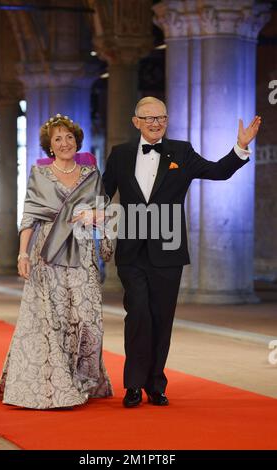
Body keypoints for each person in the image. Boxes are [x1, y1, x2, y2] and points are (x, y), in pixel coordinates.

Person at [102, 96, 261, 408]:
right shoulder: (119, 154)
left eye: (160, 117)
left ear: (166, 120)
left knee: (162, 318)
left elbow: (218, 171)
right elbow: (103, 193)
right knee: (138, 315)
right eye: (148, 118)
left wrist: (240, 148)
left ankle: (155, 385)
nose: (155, 122)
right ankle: (133, 385)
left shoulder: (182, 151)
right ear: (136, 122)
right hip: (132, 250)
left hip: (169, 250)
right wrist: (85, 213)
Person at [0, 114, 113, 409]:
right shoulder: (39, 175)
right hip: (47, 255)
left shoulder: (91, 175)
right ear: (50, 146)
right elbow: (29, 218)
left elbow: (107, 213)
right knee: (54, 319)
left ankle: (83, 377)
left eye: (69, 138)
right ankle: (60, 387)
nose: (64, 143)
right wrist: (22, 254)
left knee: (89, 321)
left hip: (82, 252)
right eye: (58, 139)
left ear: (77, 141)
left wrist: (94, 216)